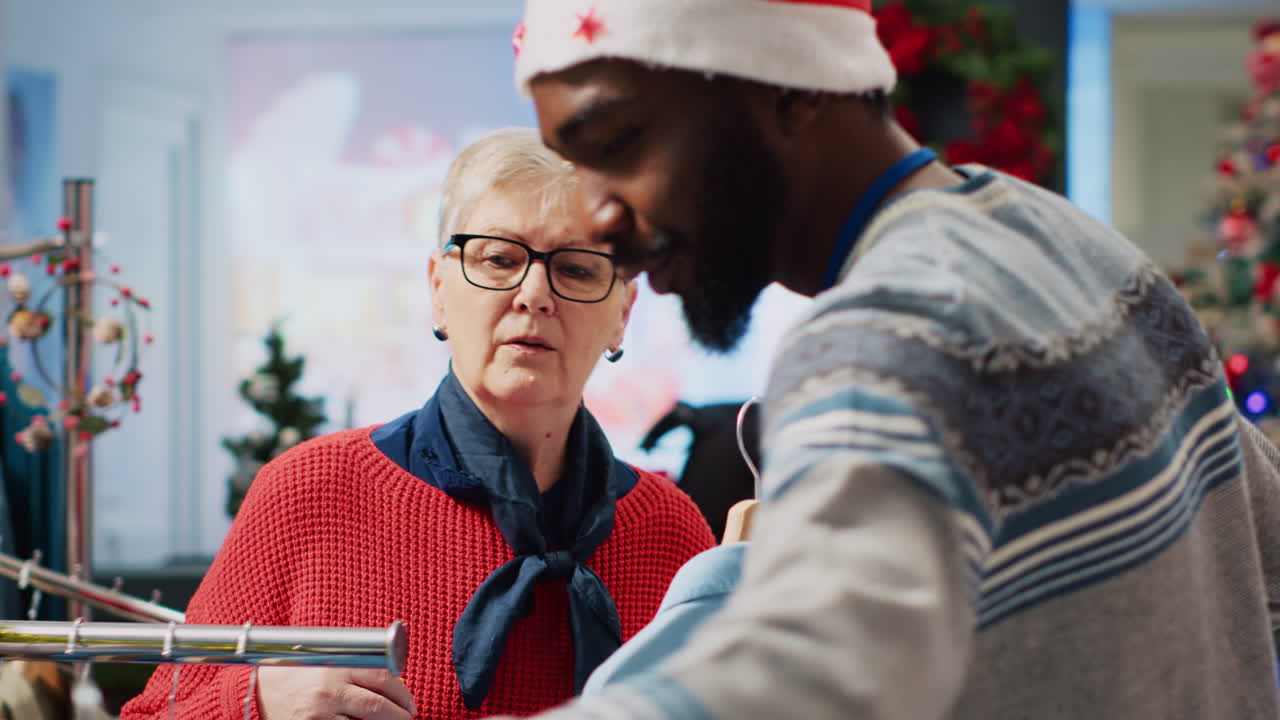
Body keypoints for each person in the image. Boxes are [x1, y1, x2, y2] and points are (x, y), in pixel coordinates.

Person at [502, 1, 1280, 718]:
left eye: (618, 146)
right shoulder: (1078, 247)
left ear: (790, 85)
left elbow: (800, 681)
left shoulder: (888, 332)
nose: (597, 219)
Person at [120, 128, 714, 720]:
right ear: (438, 289)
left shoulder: (673, 532)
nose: (534, 294)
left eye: (579, 270)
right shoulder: (308, 492)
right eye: (500, 259)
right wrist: (256, 704)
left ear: (622, 315)